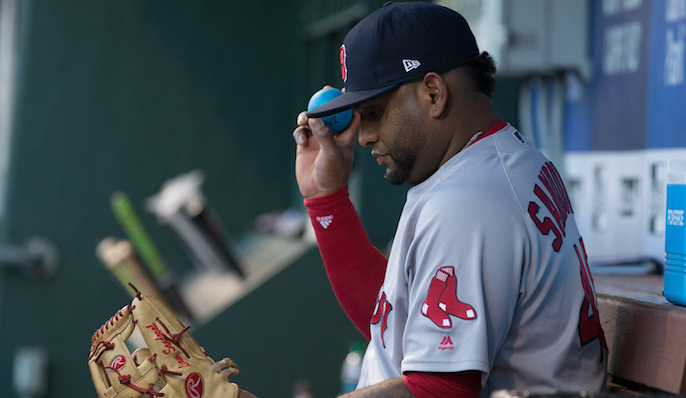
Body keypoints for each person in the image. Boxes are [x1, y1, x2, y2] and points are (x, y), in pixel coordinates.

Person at [292, 2, 608, 398]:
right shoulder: (498, 163)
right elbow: (398, 326)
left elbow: (440, 390)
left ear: (433, 93)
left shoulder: (469, 200)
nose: (365, 134)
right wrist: (327, 201)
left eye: (374, 112)